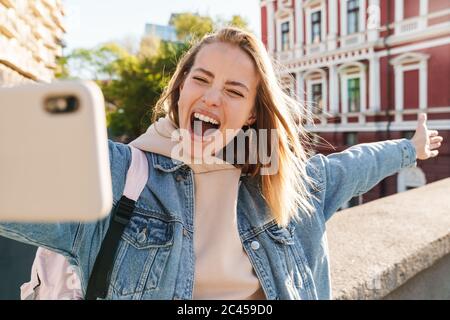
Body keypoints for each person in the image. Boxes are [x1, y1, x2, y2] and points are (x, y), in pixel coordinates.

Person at [0, 27, 444, 300]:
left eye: (234, 90)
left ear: (252, 112)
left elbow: (358, 162)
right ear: (180, 90)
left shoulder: (286, 182)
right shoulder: (122, 174)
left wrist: (411, 148)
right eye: (202, 79)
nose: (213, 97)